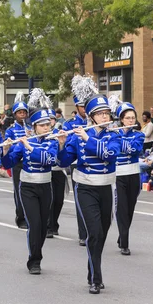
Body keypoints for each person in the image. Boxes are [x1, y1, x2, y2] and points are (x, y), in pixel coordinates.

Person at [57, 76, 121, 294]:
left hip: (107, 188)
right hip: (85, 188)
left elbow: (110, 154)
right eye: (101, 114)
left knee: (101, 233)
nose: (106, 117)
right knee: (93, 232)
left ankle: (92, 267)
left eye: (107, 113)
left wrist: (87, 139)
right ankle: (96, 277)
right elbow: (64, 162)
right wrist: (62, 144)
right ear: (92, 117)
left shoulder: (114, 136)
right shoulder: (77, 136)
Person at [2, 90, 58, 274]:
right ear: (34, 127)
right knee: (34, 224)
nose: (46, 128)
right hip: (27, 188)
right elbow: (8, 163)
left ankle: (37, 252)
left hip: (45, 186)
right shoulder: (23, 142)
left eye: (47, 125)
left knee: (43, 225)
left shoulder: (52, 142)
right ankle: (34, 260)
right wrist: (6, 150)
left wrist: (28, 146)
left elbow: (49, 160)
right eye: (42, 125)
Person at [113, 102, 144, 255]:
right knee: (122, 208)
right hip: (118, 176)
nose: (132, 120)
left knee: (130, 209)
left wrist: (119, 141)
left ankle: (122, 235)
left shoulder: (139, 134)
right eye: (128, 118)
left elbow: (136, 149)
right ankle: (124, 244)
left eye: (133, 118)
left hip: (133, 175)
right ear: (122, 119)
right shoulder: (113, 133)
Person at [63, 94, 89, 246]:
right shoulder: (69, 124)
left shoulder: (96, 122)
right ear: (77, 108)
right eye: (82, 106)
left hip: (95, 166)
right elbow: (67, 146)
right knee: (81, 199)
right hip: (77, 164)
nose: (85, 109)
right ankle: (83, 233)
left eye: (86, 106)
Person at [4, 92, 31, 229]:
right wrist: (20, 144)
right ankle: (20, 217)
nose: (22, 115)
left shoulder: (31, 128)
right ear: (15, 115)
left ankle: (28, 215)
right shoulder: (10, 130)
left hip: (29, 162)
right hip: (17, 162)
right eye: (19, 113)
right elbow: (8, 145)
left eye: (24, 112)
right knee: (18, 190)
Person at [47, 109, 67, 237]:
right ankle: (49, 226)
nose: (50, 122)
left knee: (59, 200)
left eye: (52, 119)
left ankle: (54, 223)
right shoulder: (41, 135)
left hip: (58, 171)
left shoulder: (58, 133)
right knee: (50, 199)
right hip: (48, 171)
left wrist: (62, 143)